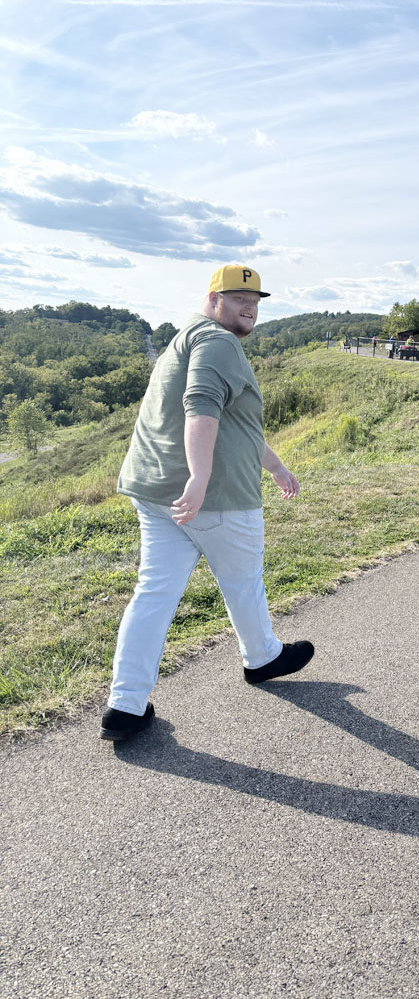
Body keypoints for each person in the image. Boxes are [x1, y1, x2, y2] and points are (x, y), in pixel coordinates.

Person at [100, 265, 314, 742]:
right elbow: (201, 406)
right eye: (239, 298)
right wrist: (200, 477)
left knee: (154, 594)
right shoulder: (219, 342)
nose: (250, 307)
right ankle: (262, 658)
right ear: (214, 297)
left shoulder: (187, 338)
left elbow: (236, 423)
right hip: (216, 498)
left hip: (159, 494)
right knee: (243, 582)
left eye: (255, 300)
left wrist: (276, 466)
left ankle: (125, 706)